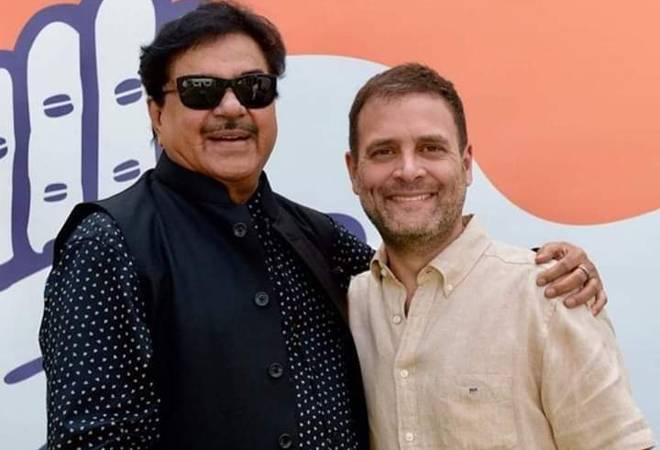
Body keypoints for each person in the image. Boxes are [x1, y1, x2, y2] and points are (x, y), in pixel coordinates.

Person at [40, 2, 605, 449]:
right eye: (201, 91)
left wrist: (542, 271)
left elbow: (422, 285)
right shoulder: (109, 243)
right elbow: (94, 440)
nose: (231, 108)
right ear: (156, 112)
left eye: (254, 88)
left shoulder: (319, 240)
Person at [345, 63, 655, 450]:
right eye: (384, 152)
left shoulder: (549, 296)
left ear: (466, 164)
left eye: (431, 148)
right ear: (353, 171)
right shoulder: (347, 306)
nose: (408, 171)